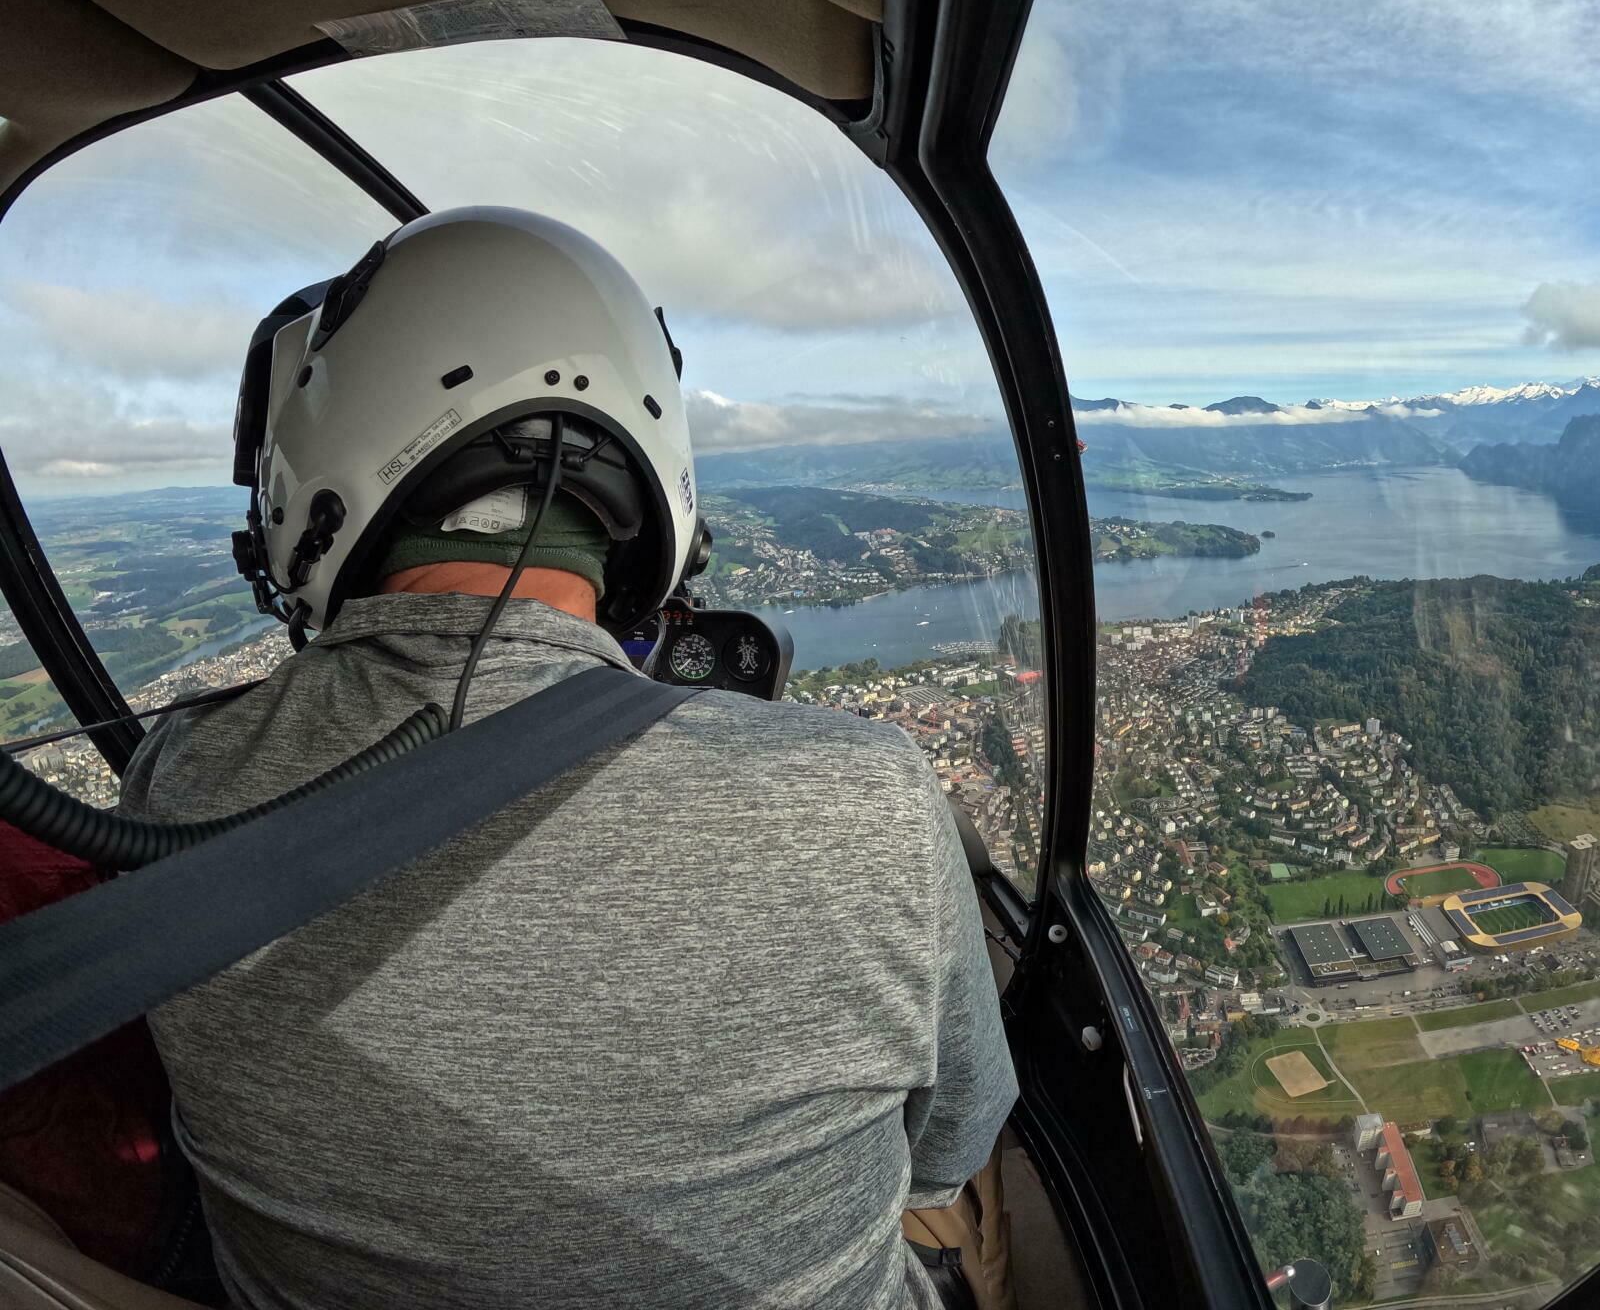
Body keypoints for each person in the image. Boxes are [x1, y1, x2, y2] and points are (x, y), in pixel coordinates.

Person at [117, 207, 1018, 1310]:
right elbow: (952, 1145)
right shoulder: (864, 798)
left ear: (306, 472)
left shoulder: (174, 789)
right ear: (655, 491)